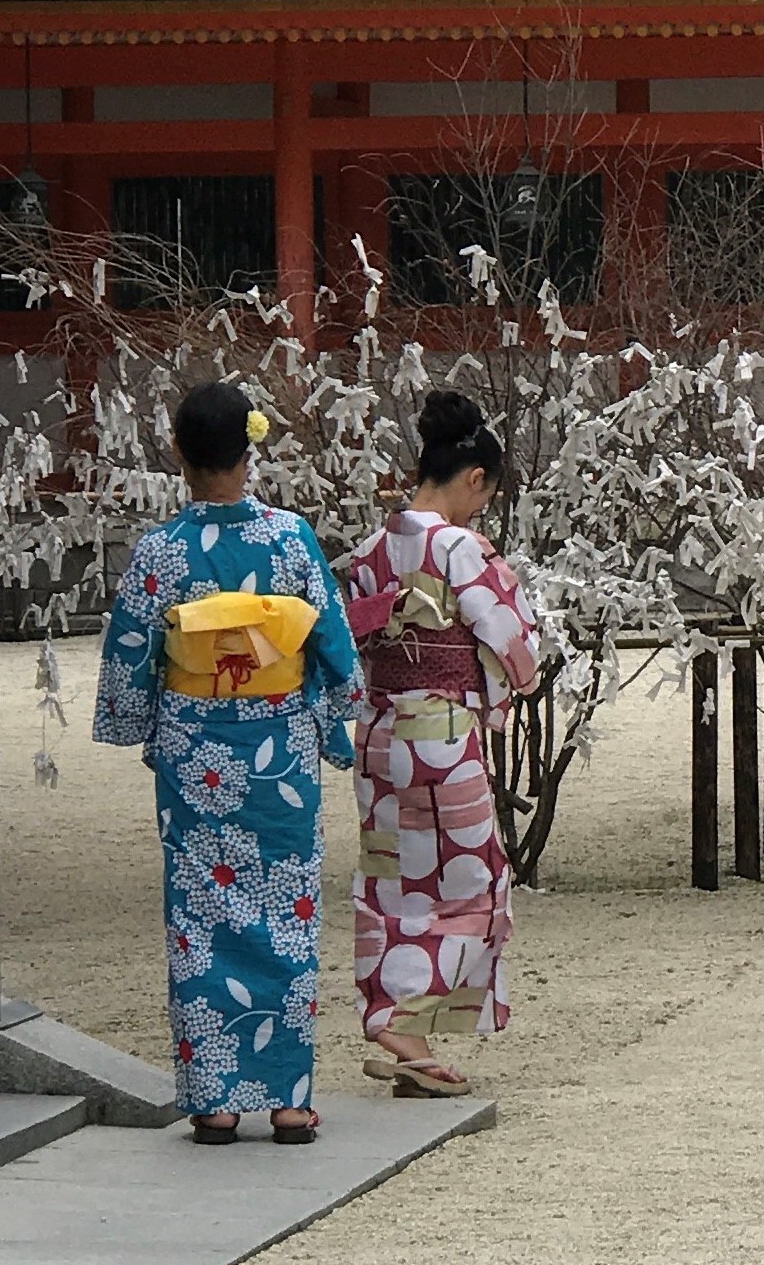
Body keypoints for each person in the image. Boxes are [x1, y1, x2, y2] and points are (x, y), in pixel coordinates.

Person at [93, 380, 361, 1145]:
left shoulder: (161, 551)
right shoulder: (291, 538)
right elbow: (333, 648)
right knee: (288, 912)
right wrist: (332, 723)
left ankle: (213, 1098)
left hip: (196, 755)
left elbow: (131, 661)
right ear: (251, 451)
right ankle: (290, 1099)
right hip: (278, 755)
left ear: (178, 453)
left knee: (201, 917)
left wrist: (145, 723)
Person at [345, 389, 541, 1097]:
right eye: (481, 496)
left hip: (380, 734)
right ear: (473, 478)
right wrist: (507, 678)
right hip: (444, 738)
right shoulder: (457, 545)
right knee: (473, 882)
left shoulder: (371, 549)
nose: (477, 510)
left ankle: (410, 1038)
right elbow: (516, 641)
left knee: (393, 882)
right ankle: (401, 1018)